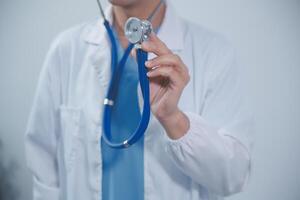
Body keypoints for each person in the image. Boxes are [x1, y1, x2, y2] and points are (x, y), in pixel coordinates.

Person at [24, 0, 253, 199]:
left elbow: (233, 176)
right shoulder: (66, 50)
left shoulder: (214, 53)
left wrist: (174, 119)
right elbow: (45, 173)